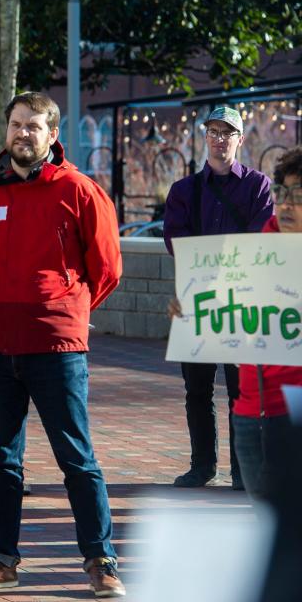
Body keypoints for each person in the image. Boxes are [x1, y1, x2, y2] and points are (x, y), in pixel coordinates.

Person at [0, 92, 126, 597]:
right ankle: (0, 561)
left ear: (53, 135)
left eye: (33, 126)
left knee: (77, 458)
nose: (22, 134)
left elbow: (108, 269)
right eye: (15, 125)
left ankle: (101, 561)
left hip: (56, 348)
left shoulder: (79, 190)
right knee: (1, 462)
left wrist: (66, 309)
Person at [162, 106, 273, 489]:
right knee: (197, 391)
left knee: (243, 391)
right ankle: (202, 466)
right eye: (213, 131)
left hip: (242, 302)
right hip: (195, 302)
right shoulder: (184, 190)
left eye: (228, 133)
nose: (220, 139)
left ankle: (243, 472)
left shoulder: (259, 186)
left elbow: (260, 239)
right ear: (205, 137)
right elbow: (177, 242)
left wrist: (214, 257)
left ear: (240, 139)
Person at [230, 148, 302, 500]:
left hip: (295, 413)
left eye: (298, 197)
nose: (287, 205)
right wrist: (190, 312)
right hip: (250, 411)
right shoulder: (253, 254)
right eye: (283, 194)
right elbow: (222, 313)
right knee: (267, 527)